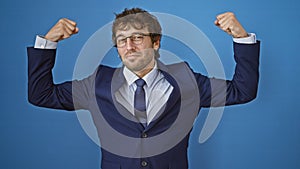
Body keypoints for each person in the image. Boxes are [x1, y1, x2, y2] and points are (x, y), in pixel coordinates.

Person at [27, 8, 260, 169]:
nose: (129, 46)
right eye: (121, 40)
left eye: (137, 37)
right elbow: (41, 94)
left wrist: (241, 37)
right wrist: (48, 42)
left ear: (155, 42)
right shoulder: (96, 83)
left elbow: (243, 90)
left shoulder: (187, 80)